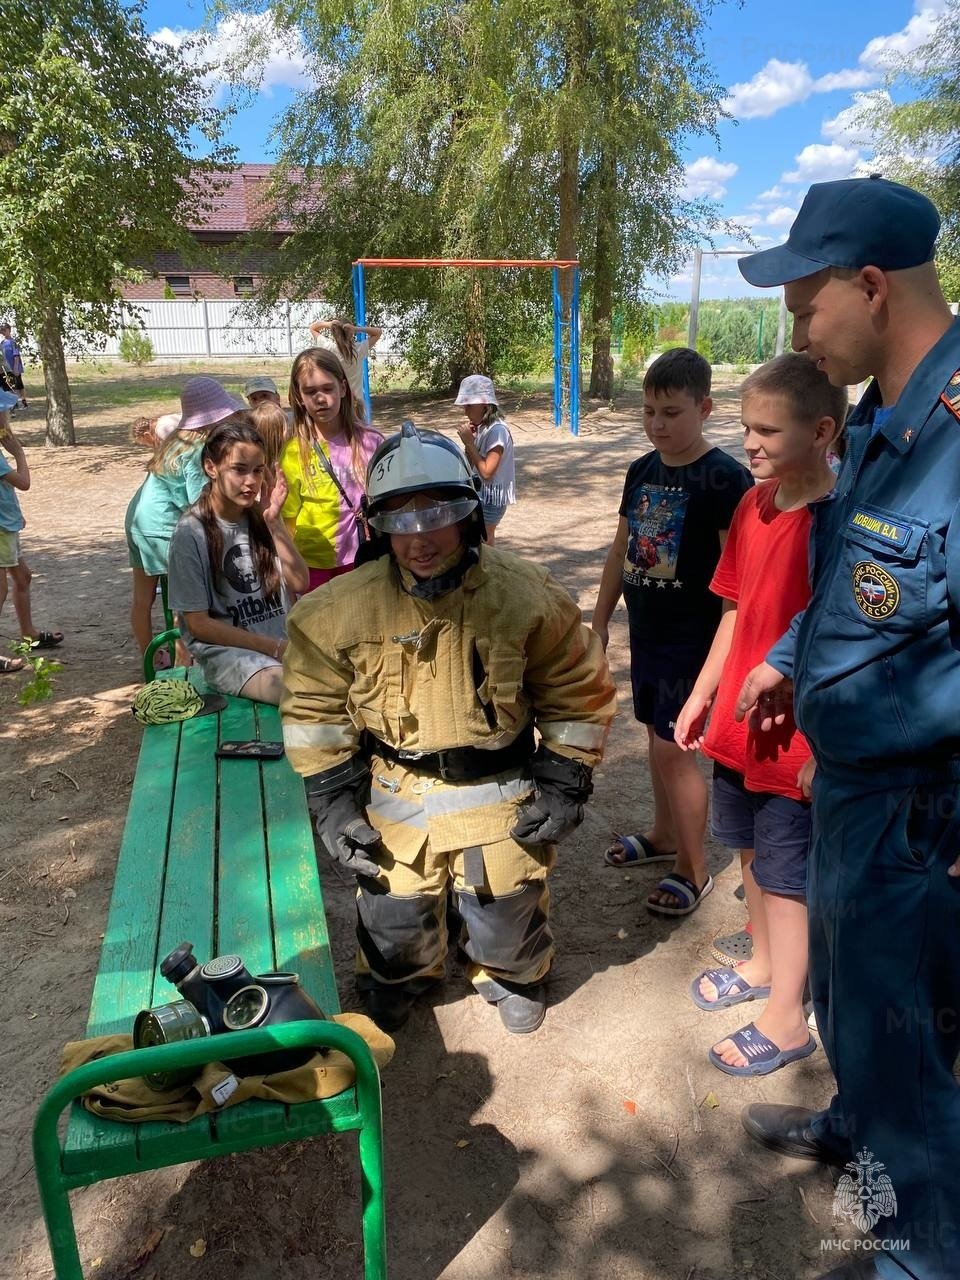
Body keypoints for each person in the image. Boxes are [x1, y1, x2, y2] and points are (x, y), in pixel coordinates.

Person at [734, 176, 960, 1280]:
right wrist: (787, 661)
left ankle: (917, 1258)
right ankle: (855, 1123)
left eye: (805, 302)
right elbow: (855, 587)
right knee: (847, 1003)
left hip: (921, 820)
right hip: (851, 793)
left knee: (910, 1052)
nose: (795, 328)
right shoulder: (882, 418)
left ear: (871, 285)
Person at [280, 421, 616, 1034]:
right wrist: (331, 802)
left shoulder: (524, 596)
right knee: (392, 917)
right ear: (377, 526)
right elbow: (312, 707)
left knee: (505, 909)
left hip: (500, 790)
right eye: (399, 521)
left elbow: (577, 688)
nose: (419, 539)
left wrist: (566, 780)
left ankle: (511, 974)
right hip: (396, 793)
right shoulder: (334, 613)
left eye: (435, 515)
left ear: (467, 514)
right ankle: (403, 976)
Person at [674, 354, 847, 1079]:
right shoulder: (752, 504)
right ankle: (766, 961)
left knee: (786, 873)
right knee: (747, 851)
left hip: (793, 736)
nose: (750, 443)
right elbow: (735, 610)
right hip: (739, 729)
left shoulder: (840, 522)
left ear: (822, 430)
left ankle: (786, 1019)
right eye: (745, 427)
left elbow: (840, 635)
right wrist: (701, 692)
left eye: (768, 431)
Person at [592, 348, 752, 916]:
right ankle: (664, 837)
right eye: (649, 411)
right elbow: (620, 549)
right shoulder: (641, 469)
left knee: (673, 751)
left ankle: (694, 868)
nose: (658, 424)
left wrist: (722, 663)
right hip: (647, 637)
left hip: (694, 644)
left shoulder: (728, 480)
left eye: (672, 412)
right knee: (658, 749)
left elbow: (739, 582)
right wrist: (600, 620)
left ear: (704, 407)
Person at [167, 420, 309, 705]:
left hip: (282, 645)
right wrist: (274, 648)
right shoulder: (190, 532)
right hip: (230, 655)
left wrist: (274, 522)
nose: (250, 481)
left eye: (257, 471)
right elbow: (198, 624)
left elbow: (300, 582)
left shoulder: (259, 517)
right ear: (211, 467)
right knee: (304, 694)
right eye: (239, 469)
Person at [125, 377, 246, 663]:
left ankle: (151, 660)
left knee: (143, 599)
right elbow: (199, 502)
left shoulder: (175, 442)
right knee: (185, 599)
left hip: (139, 521)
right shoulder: (197, 451)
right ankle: (184, 664)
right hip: (163, 528)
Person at [280, 347, 382, 591]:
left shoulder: (372, 442)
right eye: (310, 391)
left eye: (328, 388)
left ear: (343, 389)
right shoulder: (293, 453)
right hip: (312, 568)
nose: (320, 398)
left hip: (363, 559)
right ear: (298, 396)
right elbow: (288, 520)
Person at [0, 395, 63, 668]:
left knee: (22, 577)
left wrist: (15, 515)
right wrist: (20, 453)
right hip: (1, 529)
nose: (8, 418)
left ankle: (29, 634)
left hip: (6, 524)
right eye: (4, 413)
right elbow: (23, 482)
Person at [454, 374, 517, 544]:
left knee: (483, 544)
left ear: (484, 405)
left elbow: (487, 472)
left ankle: (489, 570)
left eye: (469, 405)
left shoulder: (497, 430)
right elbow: (468, 465)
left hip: (491, 497)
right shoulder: (484, 428)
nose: (465, 410)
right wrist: (470, 444)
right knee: (482, 542)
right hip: (482, 494)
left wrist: (470, 443)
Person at [308, 317, 383, 402]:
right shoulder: (358, 349)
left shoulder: (328, 347)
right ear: (351, 333)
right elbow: (378, 332)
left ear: (334, 332)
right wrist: (356, 329)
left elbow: (312, 328)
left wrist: (329, 324)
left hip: (336, 401)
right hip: (355, 401)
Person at [0, 324, 27, 409]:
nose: (3, 332)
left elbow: (16, 356)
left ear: (9, 330)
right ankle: (14, 404)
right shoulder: (2, 343)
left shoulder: (13, 342)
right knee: (10, 386)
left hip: (15, 368)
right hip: (7, 369)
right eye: (1, 331)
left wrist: (15, 368)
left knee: (19, 386)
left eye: (4, 330)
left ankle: (24, 403)